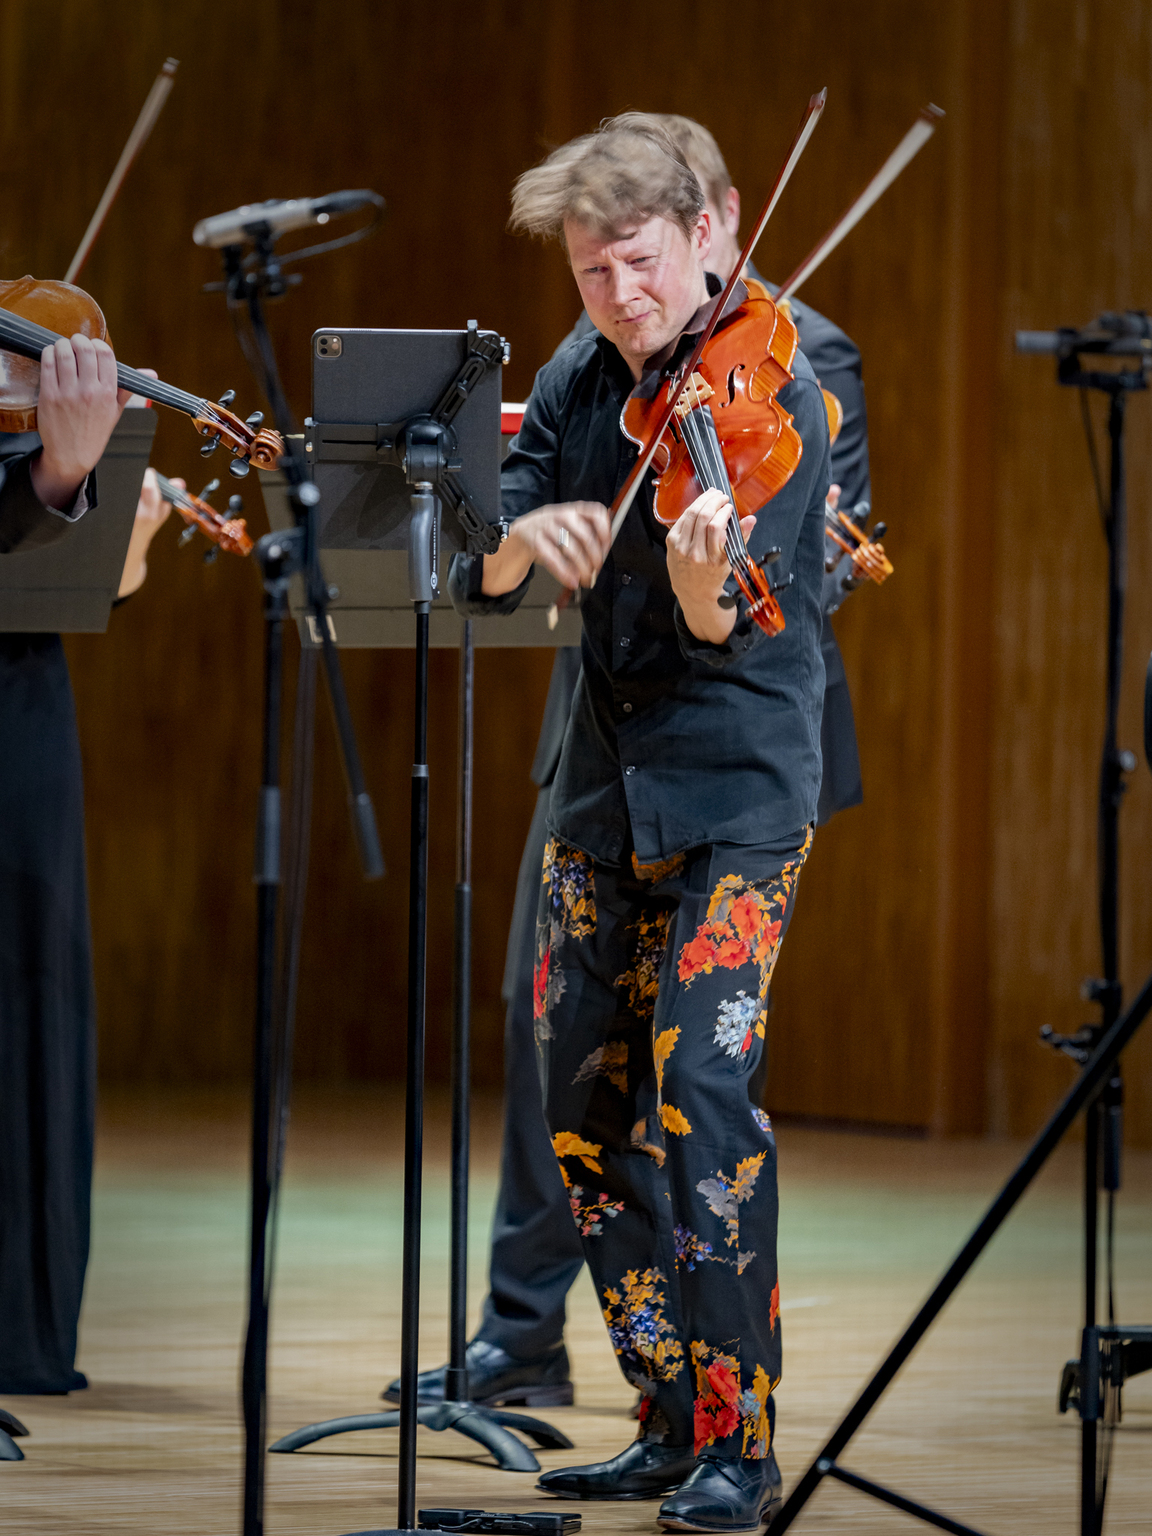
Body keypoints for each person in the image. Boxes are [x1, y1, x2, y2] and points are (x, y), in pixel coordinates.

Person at [392, 114, 876, 1432]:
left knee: (705, 1095)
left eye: (642, 263)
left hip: (738, 792)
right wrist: (519, 542)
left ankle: (737, 1435)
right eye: (592, 272)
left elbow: (738, 626)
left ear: (709, 229)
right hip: (603, 790)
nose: (620, 296)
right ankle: (666, 1412)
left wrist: (697, 583)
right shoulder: (576, 369)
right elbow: (486, 555)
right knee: (577, 1110)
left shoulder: (787, 390)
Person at [0, 333, 175, 1396]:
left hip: (17, 698)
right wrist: (57, 473)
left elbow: (70, 587)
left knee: (29, 996)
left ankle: (18, 1324)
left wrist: (98, 512)